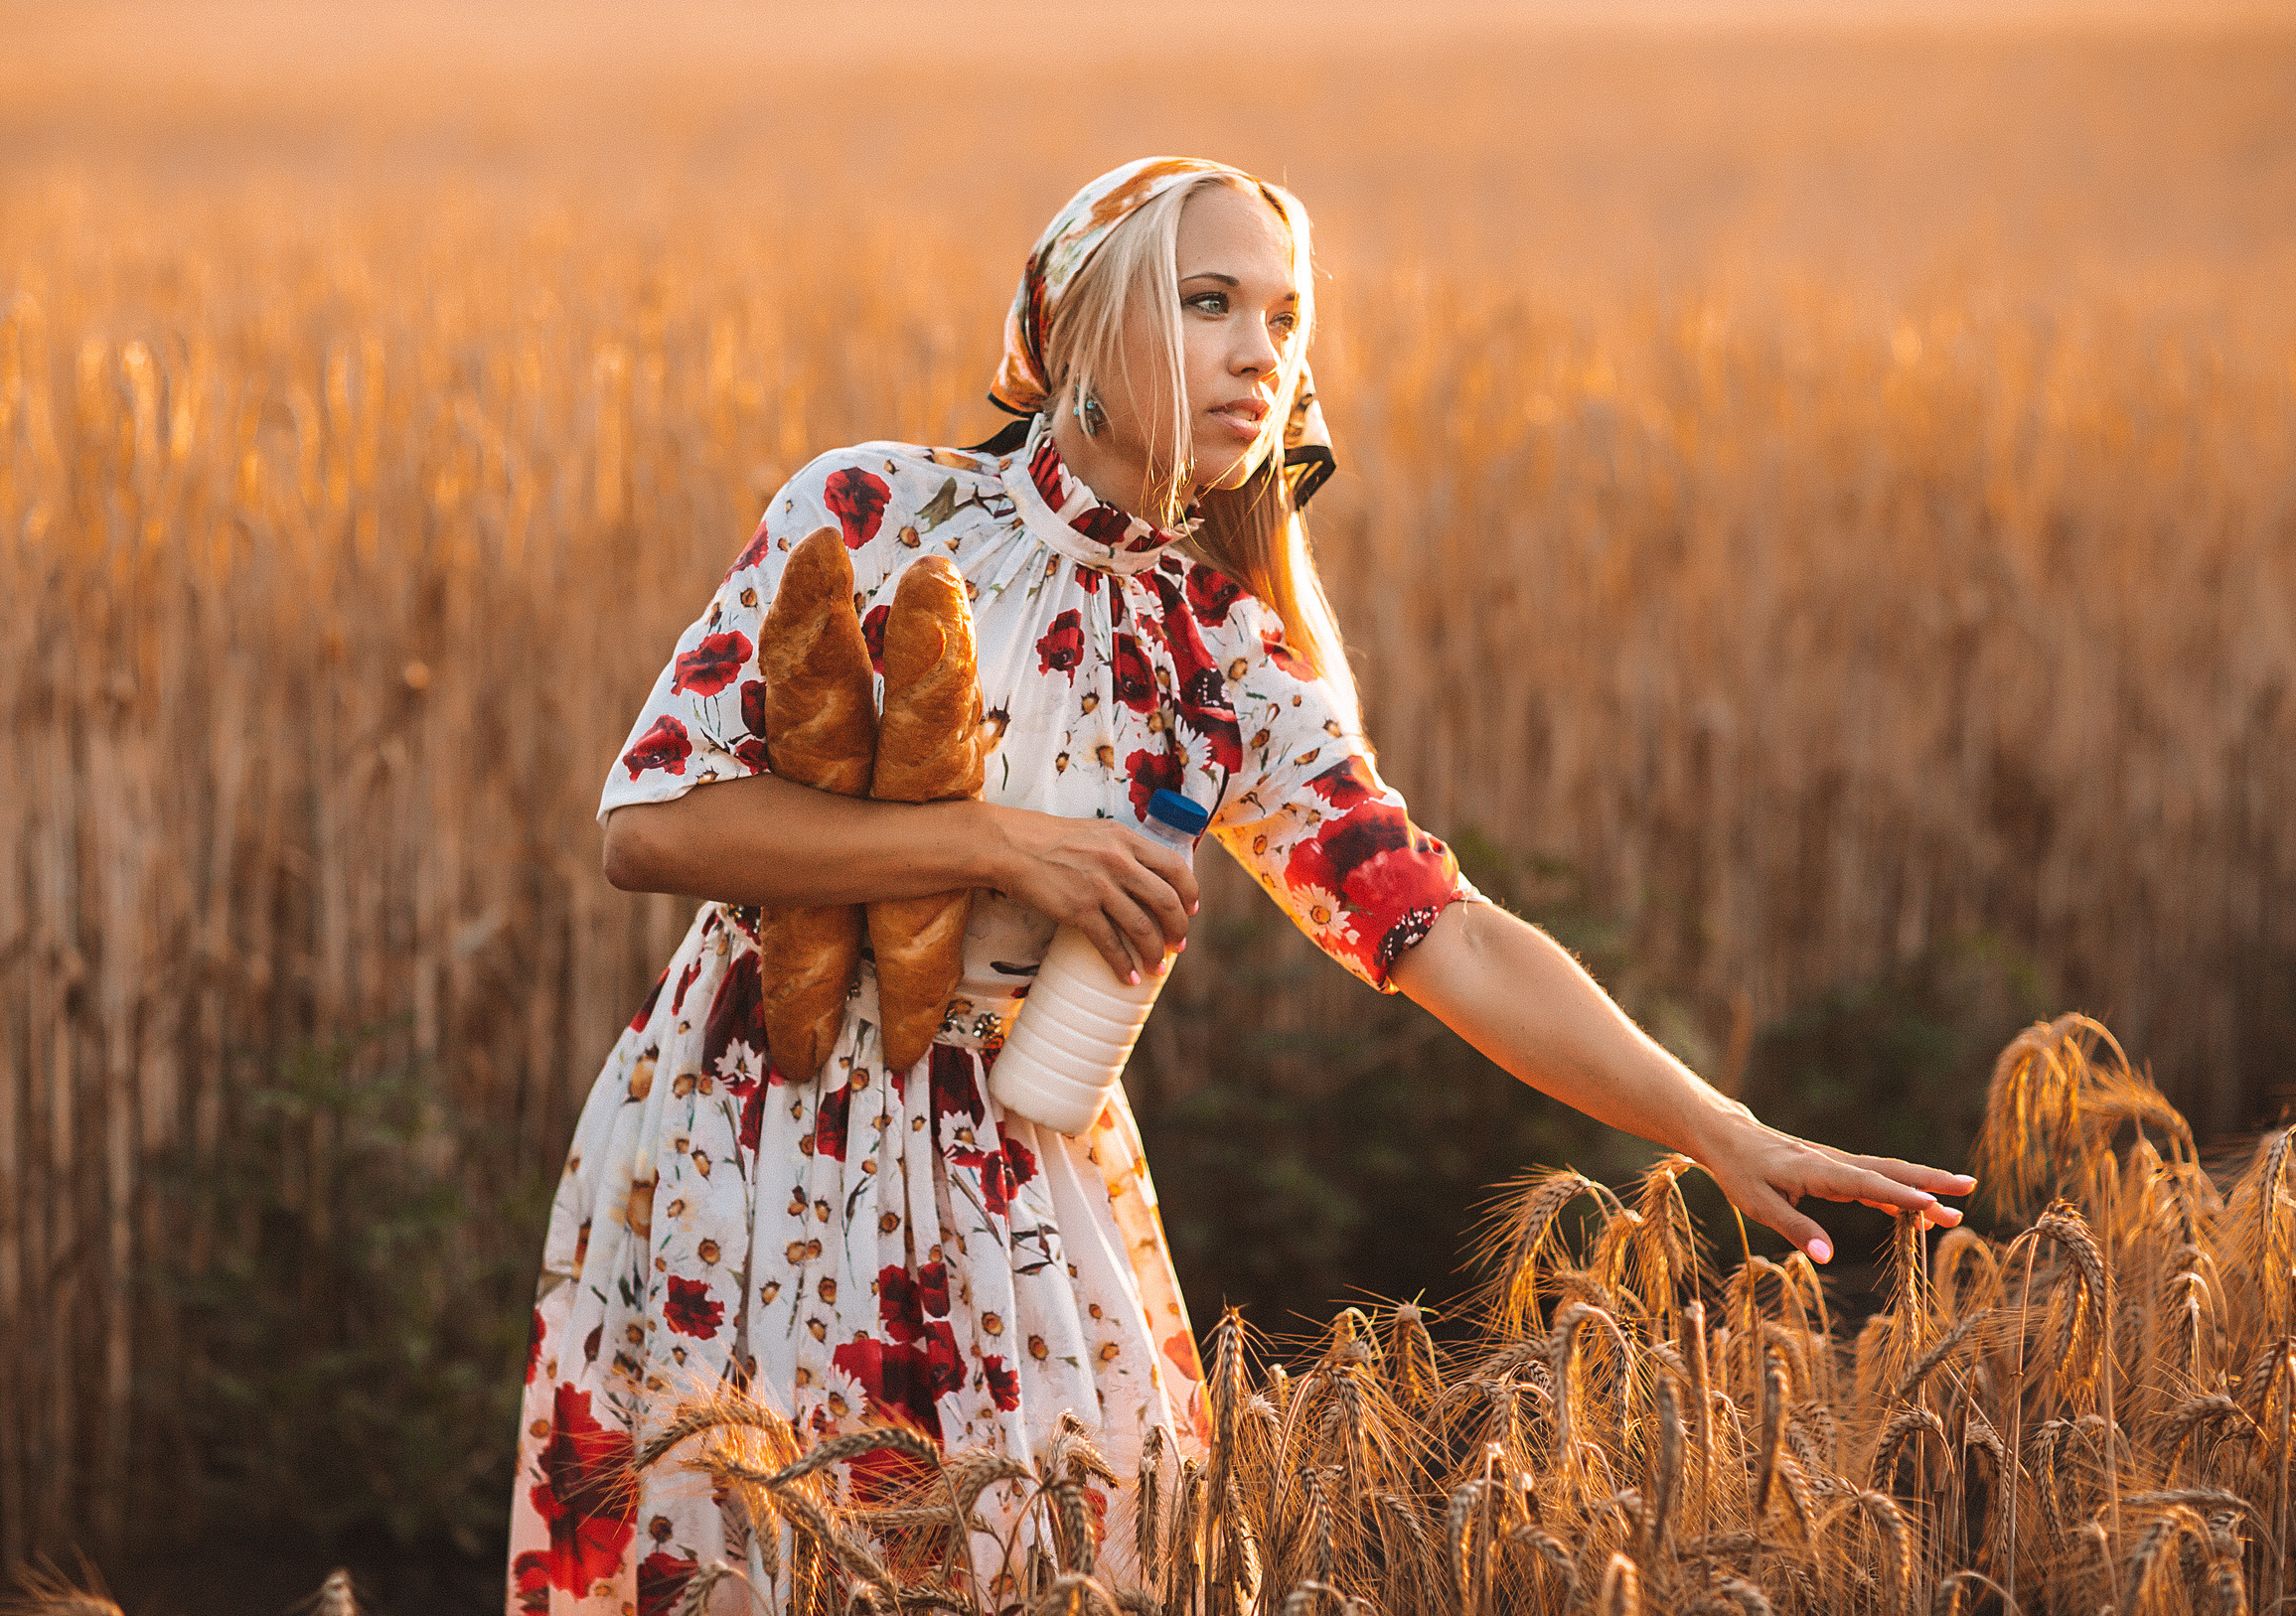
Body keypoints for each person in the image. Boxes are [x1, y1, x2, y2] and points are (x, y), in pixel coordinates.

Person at [505, 157, 1975, 1613]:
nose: (1259, 352)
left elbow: (1435, 926)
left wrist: (1717, 1128)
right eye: (1208, 303)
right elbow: (657, 825)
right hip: (746, 1132)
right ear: (1073, 325)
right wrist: (999, 845)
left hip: (1016, 1179)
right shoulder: (875, 509)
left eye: (1284, 319)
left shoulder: (1228, 655)